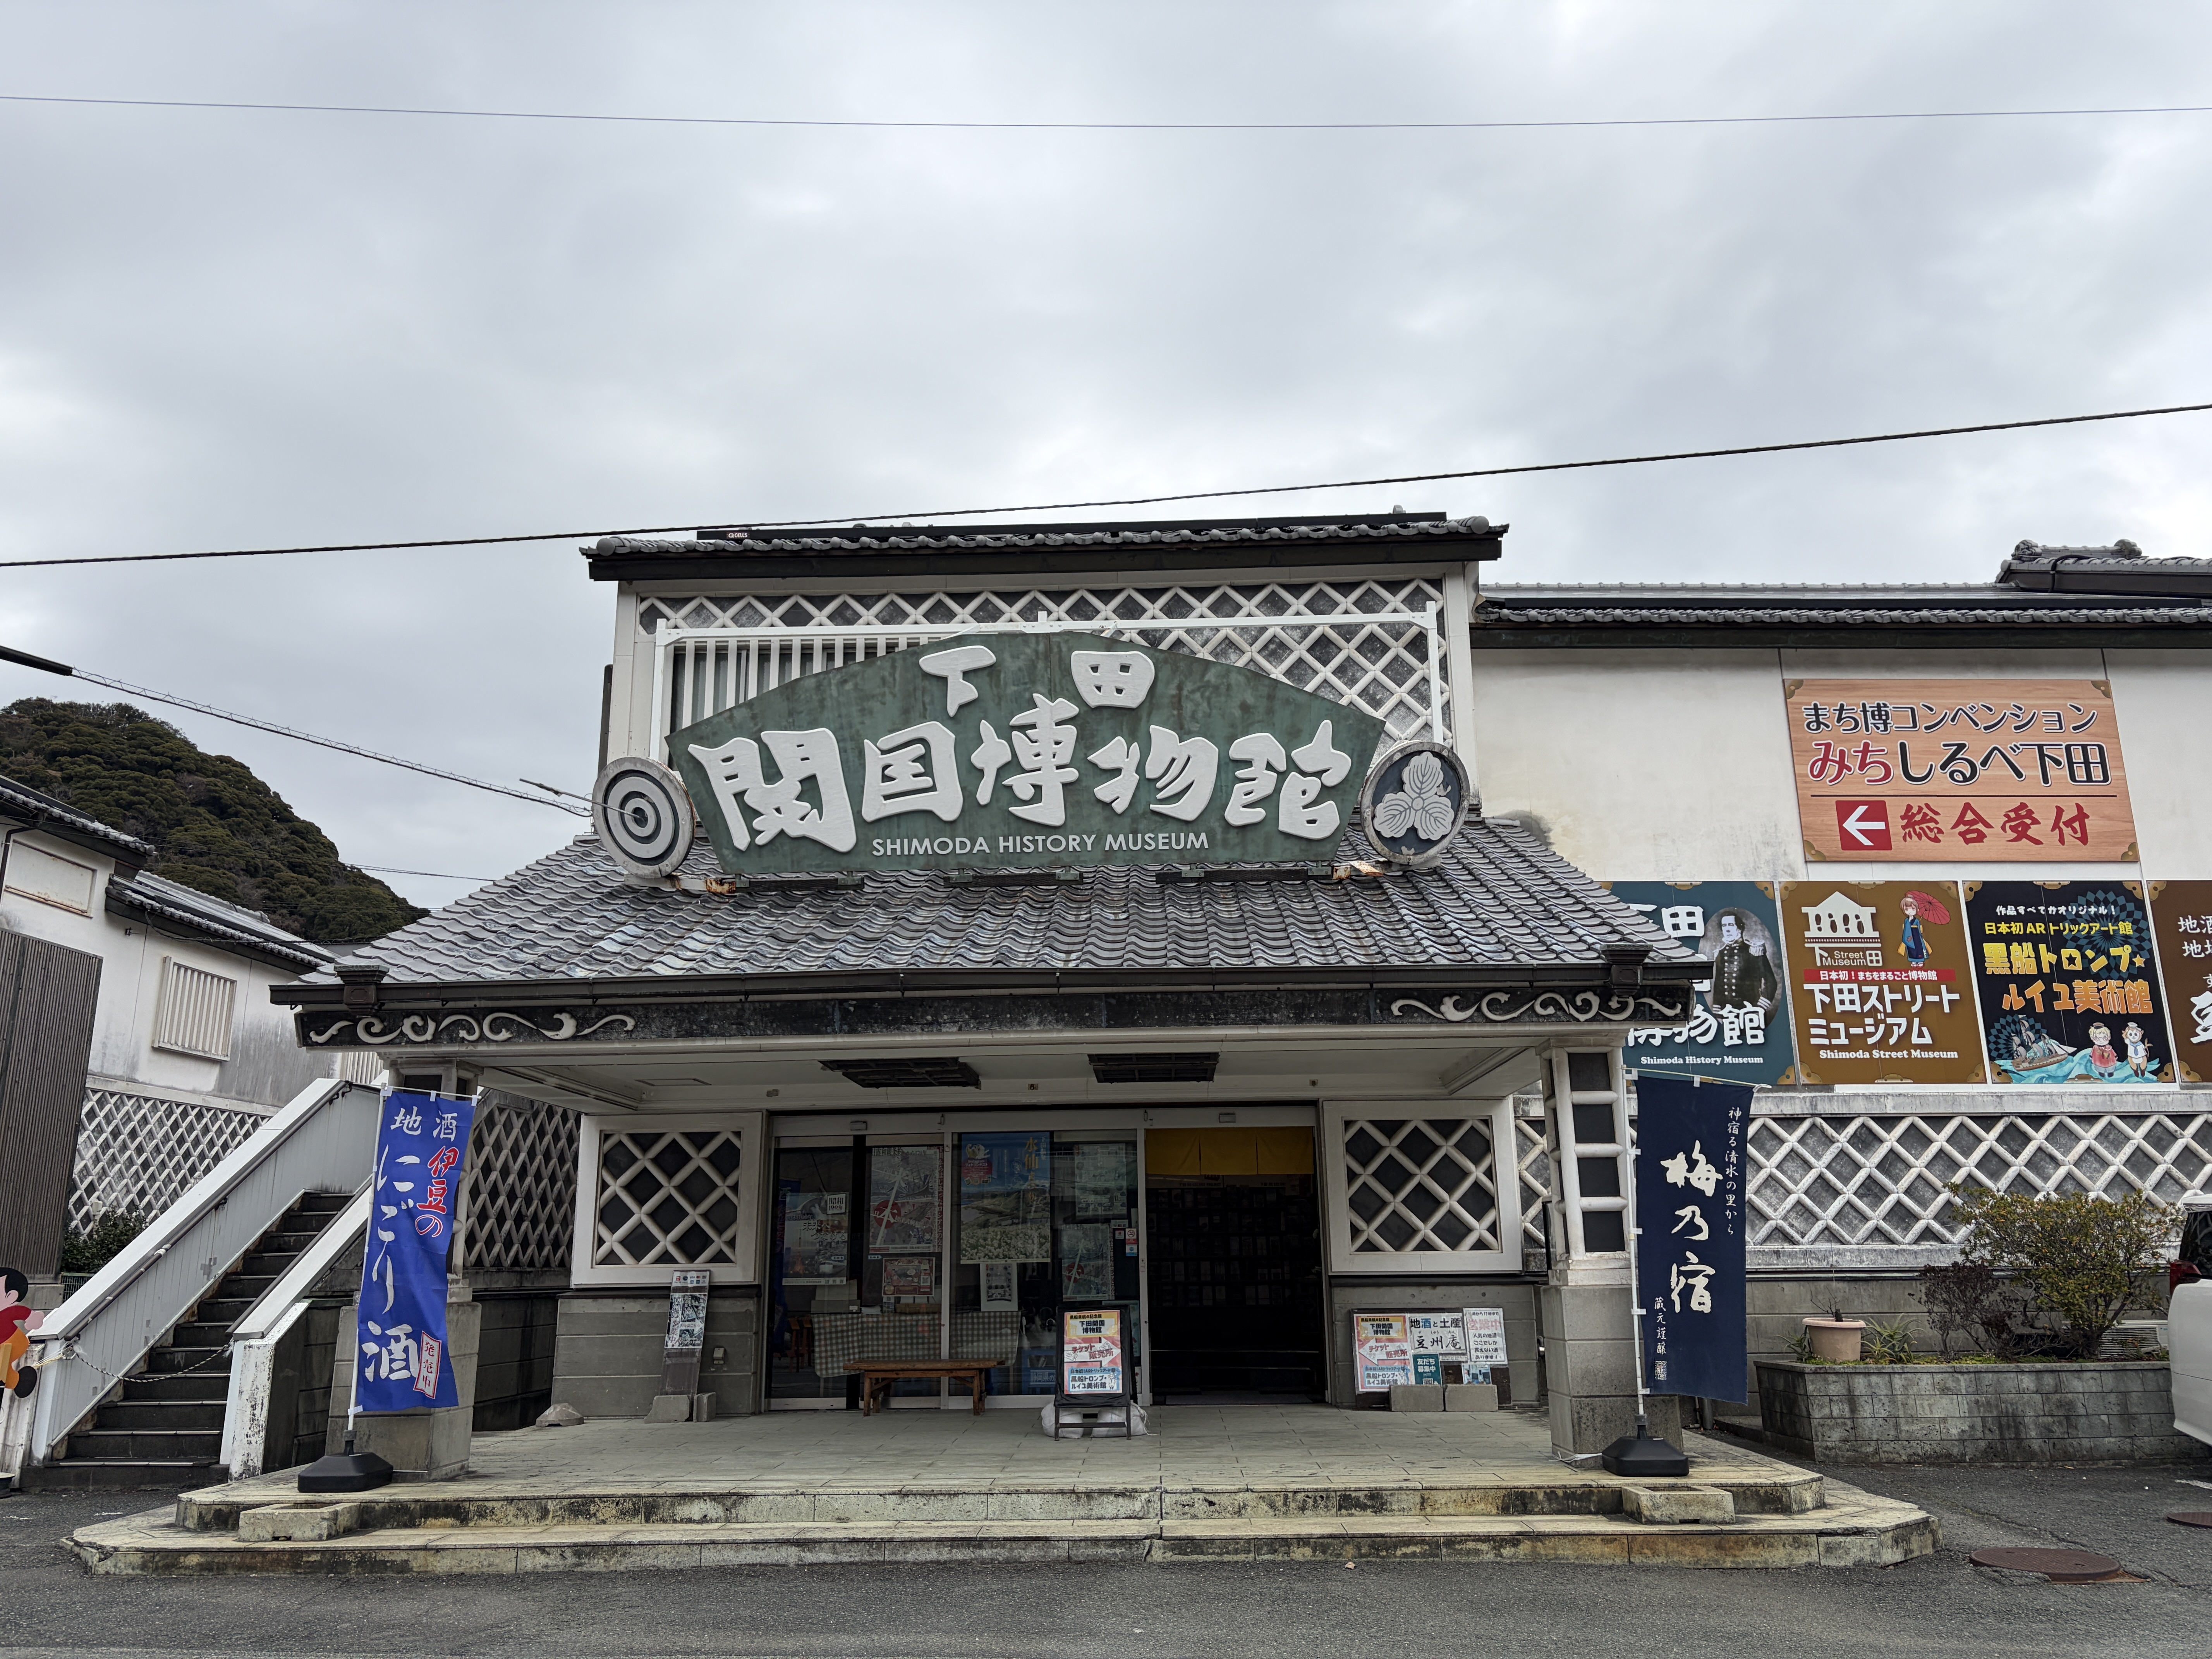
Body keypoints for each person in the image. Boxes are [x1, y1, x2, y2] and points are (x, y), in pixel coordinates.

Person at [1704, 909, 1778, 1017]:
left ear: (1739, 928)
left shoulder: (1753, 951)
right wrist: (1718, 1011)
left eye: (1731, 925)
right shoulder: (1720, 953)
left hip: (1750, 1011)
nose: (1727, 929)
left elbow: (1771, 982)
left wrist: (1760, 1008)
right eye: (1724, 926)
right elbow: (1719, 986)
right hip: (1727, 1013)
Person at [0, 1267, 43, 1399]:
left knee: (2, 1365)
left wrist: (33, 1319)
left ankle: (18, 1381)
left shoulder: (7, 1313)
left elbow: (24, 1313)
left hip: (14, 1342)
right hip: (4, 1347)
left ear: (11, 1296)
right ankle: (18, 1381)